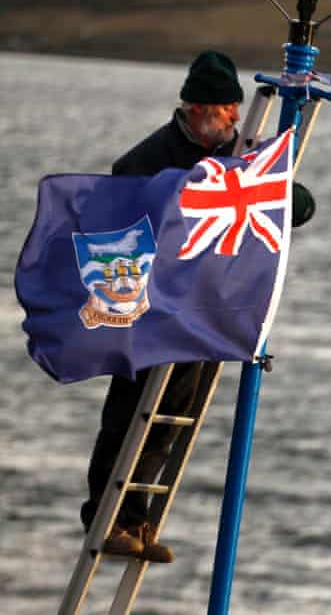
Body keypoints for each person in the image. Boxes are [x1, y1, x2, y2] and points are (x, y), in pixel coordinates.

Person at [80, 50, 315, 563]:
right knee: (130, 411)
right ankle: (106, 513)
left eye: (235, 108)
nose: (234, 117)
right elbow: (115, 229)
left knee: (174, 413)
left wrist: (290, 200)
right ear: (199, 108)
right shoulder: (147, 160)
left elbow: (283, 204)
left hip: (208, 312)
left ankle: (139, 519)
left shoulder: (240, 155)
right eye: (227, 108)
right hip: (150, 311)